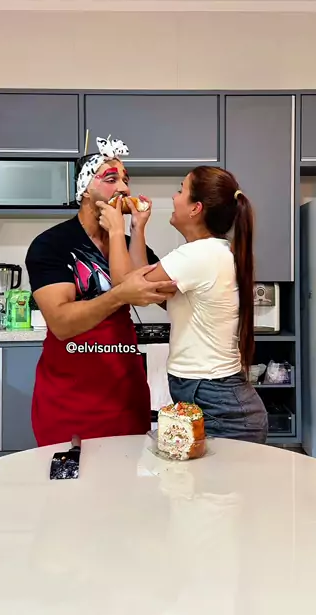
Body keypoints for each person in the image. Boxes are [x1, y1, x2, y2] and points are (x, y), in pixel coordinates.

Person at [25, 135, 177, 447]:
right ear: (85, 189)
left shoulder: (127, 243)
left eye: (126, 180)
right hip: (69, 397)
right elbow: (61, 322)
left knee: (125, 474)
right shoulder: (52, 245)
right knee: (70, 475)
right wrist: (120, 295)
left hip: (126, 392)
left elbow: (166, 296)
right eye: (111, 179)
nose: (124, 189)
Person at [98, 165, 268, 442]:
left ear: (195, 208)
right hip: (215, 396)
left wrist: (116, 231)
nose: (174, 197)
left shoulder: (198, 255)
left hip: (219, 404)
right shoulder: (210, 253)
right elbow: (142, 282)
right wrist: (137, 227)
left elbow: (125, 285)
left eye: (181, 191)